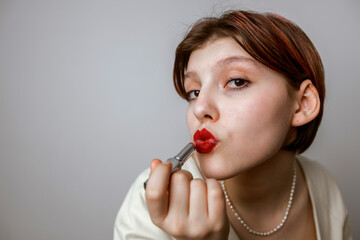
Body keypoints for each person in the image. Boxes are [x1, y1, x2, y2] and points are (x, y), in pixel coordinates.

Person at [114, 10, 352, 240]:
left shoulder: (322, 186)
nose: (199, 108)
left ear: (302, 104)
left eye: (236, 82)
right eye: (194, 92)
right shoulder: (153, 202)